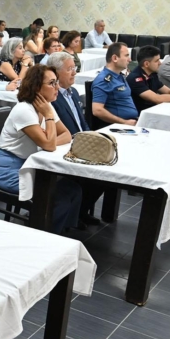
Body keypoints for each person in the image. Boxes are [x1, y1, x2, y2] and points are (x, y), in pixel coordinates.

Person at [0, 65, 81, 234]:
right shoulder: (24, 110)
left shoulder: (46, 106)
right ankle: (45, 233)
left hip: (33, 165)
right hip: (12, 172)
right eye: (51, 83)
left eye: (56, 83)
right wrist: (49, 123)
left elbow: (67, 134)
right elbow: (49, 145)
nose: (57, 88)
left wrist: (49, 137)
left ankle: (63, 230)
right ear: (36, 87)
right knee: (58, 196)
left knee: (73, 188)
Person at [47, 52, 104, 228]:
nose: (74, 73)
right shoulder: (52, 97)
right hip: (65, 148)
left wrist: (90, 138)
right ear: (56, 72)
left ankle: (79, 211)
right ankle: (73, 214)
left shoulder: (73, 93)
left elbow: (82, 122)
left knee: (104, 176)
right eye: (70, 69)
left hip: (80, 143)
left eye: (75, 68)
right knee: (95, 176)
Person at [126, 45, 170, 113]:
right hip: (142, 114)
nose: (160, 63)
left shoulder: (152, 74)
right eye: (157, 61)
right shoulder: (135, 78)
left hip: (154, 109)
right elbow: (157, 99)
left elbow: (168, 91)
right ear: (146, 64)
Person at [91, 42, 138, 125]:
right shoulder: (104, 80)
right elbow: (97, 110)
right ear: (115, 58)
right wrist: (124, 122)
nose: (130, 60)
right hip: (120, 125)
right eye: (126, 56)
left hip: (131, 121)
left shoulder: (119, 75)